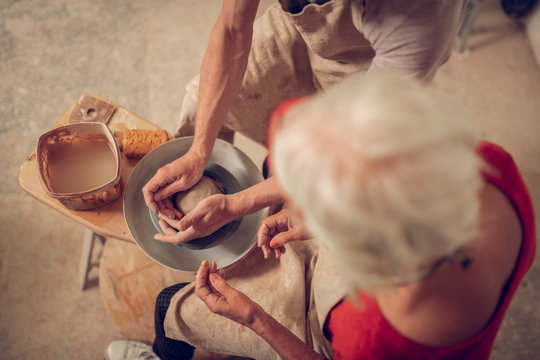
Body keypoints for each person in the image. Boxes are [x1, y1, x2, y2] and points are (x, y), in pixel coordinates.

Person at [107, 73, 535, 359]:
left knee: (169, 305)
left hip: (337, 328)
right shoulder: (492, 169)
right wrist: (237, 205)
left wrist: (253, 317)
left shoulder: (371, 338)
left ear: (360, 246)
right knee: (275, 165)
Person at [141, 0, 469, 230]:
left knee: (338, 202)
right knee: (200, 106)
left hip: (369, 64)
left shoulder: (423, 14)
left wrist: (235, 206)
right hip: (304, 25)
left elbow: (347, 153)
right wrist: (200, 150)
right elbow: (231, 30)